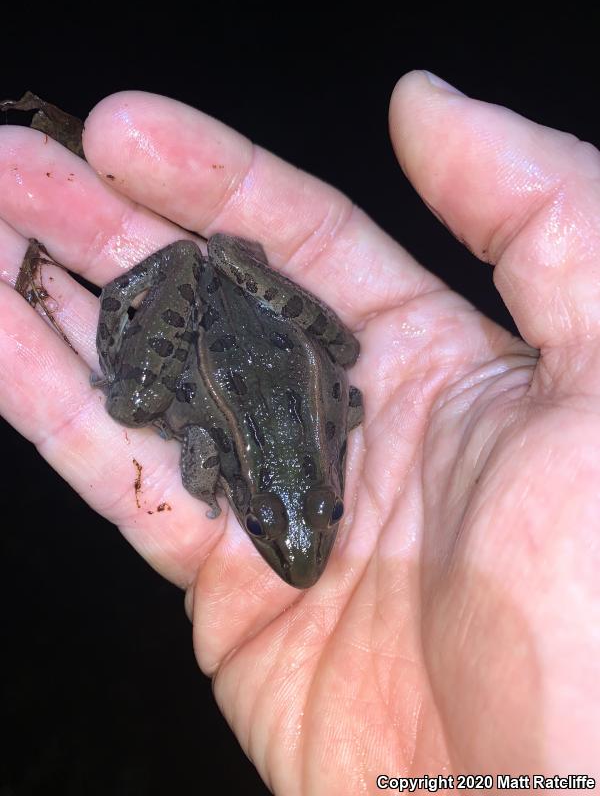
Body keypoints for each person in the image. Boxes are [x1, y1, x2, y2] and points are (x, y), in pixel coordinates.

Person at [1, 70, 597, 792]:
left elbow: (228, 439)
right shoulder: (326, 434)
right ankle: (188, 270)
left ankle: (197, 271)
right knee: (192, 389)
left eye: (269, 521)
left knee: (133, 405)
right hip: (219, 333)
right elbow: (331, 400)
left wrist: (207, 482)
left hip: (253, 347)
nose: (301, 532)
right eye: (321, 510)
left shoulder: (318, 437)